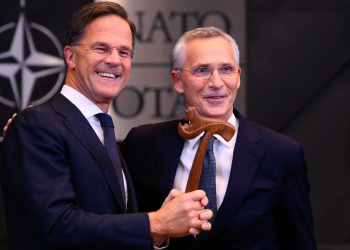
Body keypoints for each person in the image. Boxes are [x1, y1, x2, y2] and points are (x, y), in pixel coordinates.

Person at [0, 2, 213, 249]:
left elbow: (111, 229)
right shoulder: (35, 125)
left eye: (124, 52)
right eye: (101, 48)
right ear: (70, 56)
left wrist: (156, 236)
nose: (114, 60)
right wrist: (155, 222)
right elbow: (57, 226)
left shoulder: (104, 131)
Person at [120, 27, 317, 249]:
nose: (216, 82)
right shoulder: (142, 144)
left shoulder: (281, 154)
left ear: (238, 77)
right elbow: (123, 234)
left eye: (226, 69)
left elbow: (300, 243)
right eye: (202, 70)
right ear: (177, 81)